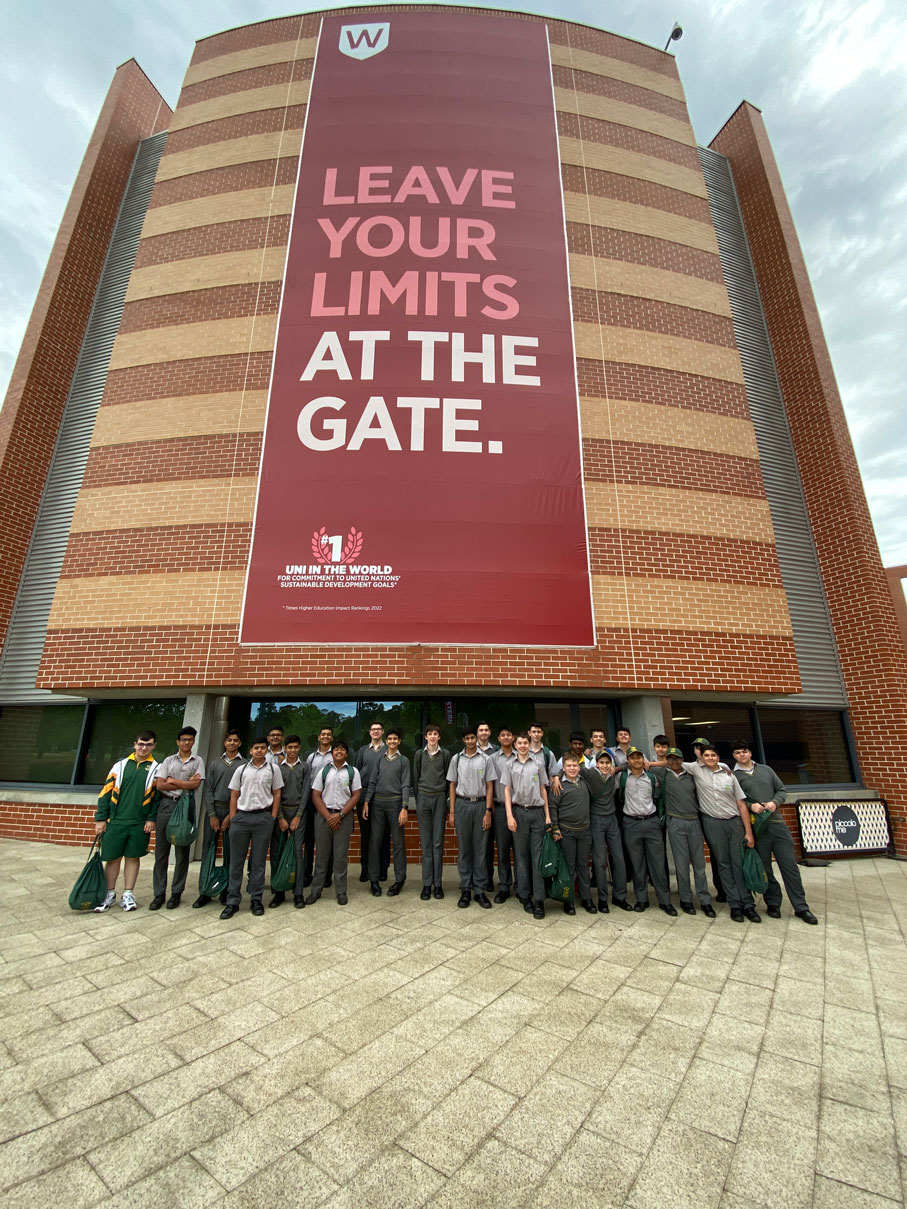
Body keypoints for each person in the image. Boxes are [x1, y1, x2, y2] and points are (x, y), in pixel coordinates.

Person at [731, 741, 818, 924]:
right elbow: (735, 800)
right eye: (737, 753)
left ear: (750, 752)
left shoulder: (766, 770)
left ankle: (801, 907)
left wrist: (774, 803)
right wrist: (751, 805)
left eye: (744, 751)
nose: (742, 755)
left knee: (790, 867)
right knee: (765, 868)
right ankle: (773, 903)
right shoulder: (734, 776)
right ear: (733, 756)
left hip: (777, 824)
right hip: (758, 829)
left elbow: (781, 790)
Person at [681, 746, 760, 923]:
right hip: (712, 822)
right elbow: (673, 763)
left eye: (713, 755)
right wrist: (649, 762)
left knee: (738, 862)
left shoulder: (729, 775)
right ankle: (735, 905)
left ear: (718, 757)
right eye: (706, 755)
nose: (709, 758)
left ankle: (748, 904)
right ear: (701, 757)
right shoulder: (696, 770)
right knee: (723, 864)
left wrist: (748, 832)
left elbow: (741, 805)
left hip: (734, 822)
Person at [92, 731, 160, 912]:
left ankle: (128, 894)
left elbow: (157, 798)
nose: (144, 748)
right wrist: (100, 818)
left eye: (148, 744)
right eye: (141, 744)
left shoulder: (156, 768)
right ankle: (109, 893)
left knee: (133, 857)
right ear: (135, 744)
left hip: (139, 823)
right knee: (113, 858)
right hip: (115, 821)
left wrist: (151, 819)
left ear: (154, 746)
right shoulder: (120, 766)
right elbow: (105, 793)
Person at [221, 738, 284, 918]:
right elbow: (234, 795)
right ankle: (232, 901)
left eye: (262, 748)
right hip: (241, 818)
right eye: (256, 747)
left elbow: (277, 793)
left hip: (263, 818)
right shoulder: (241, 770)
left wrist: (272, 816)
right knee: (236, 862)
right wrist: (234, 818)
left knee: (258, 862)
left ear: (267, 750)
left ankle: (256, 899)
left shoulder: (273, 769)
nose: (259, 750)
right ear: (250, 750)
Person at [615, 747, 676, 916]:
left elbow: (661, 793)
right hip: (631, 823)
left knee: (657, 863)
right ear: (628, 760)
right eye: (632, 758)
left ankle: (664, 900)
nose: (636, 760)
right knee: (637, 863)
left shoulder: (651, 777)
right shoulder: (622, 777)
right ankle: (642, 899)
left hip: (651, 822)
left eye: (638, 757)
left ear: (643, 759)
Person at [151, 726, 205, 911]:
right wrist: (184, 783)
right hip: (166, 805)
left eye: (190, 740)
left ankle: (176, 893)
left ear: (193, 742)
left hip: (186, 805)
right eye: (183, 740)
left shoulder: (198, 761)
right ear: (178, 742)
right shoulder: (168, 760)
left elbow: (196, 784)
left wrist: (173, 781)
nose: (186, 742)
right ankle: (159, 894)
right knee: (161, 852)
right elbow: (159, 785)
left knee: (182, 851)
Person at [658, 747, 715, 917]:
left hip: (693, 821)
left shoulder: (693, 774)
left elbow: (709, 768)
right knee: (681, 864)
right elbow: (639, 766)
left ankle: (704, 899)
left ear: (683, 759)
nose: (674, 762)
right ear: (667, 760)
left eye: (677, 758)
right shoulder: (663, 775)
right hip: (675, 822)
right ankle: (686, 898)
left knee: (699, 864)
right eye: (671, 759)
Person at [193, 729, 245, 909]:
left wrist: (232, 815)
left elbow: (243, 792)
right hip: (216, 809)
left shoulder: (244, 764)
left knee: (232, 855)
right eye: (229, 740)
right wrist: (212, 815)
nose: (232, 743)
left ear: (239, 743)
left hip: (236, 812)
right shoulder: (215, 764)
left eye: (235, 740)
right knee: (209, 852)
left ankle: (228, 890)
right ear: (225, 743)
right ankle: (205, 890)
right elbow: (208, 790)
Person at [501, 731, 551, 919]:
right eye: (519, 743)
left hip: (537, 812)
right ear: (515, 745)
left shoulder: (538, 764)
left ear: (529, 745)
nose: (522, 745)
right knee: (521, 857)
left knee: (537, 857)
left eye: (525, 743)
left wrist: (547, 816)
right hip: (519, 813)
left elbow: (543, 789)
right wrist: (509, 815)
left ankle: (539, 899)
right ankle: (524, 895)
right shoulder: (509, 765)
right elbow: (506, 790)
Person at [307, 739, 361, 905]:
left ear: (346, 753)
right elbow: (315, 795)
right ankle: (316, 890)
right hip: (324, 817)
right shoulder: (324, 771)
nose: (339, 752)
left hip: (343, 818)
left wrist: (340, 815)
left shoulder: (353, 772)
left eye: (342, 750)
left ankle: (341, 892)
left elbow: (356, 795)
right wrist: (328, 816)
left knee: (340, 857)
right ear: (332, 753)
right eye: (336, 750)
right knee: (321, 856)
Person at [447, 727, 496, 909]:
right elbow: (452, 785)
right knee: (465, 849)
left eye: (472, 737)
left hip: (481, 805)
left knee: (481, 849)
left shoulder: (486, 759)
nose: (470, 741)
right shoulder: (456, 759)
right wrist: (452, 811)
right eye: (467, 738)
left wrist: (488, 811)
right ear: (463, 740)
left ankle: (480, 890)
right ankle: (466, 889)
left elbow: (490, 786)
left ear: (476, 739)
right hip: (462, 805)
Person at [580, 750, 632, 913]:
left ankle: (620, 896)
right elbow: (571, 766)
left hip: (612, 820)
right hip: (596, 819)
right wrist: (554, 778)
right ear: (596, 763)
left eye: (607, 763)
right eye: (601, 763)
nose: (604, 766)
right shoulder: (590, 774)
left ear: (611, 764)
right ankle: (602, 899)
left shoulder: (611, 774)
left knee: (618, 858)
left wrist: (617, 768)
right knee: (600, 860)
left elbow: (627, 764)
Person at [365, 728, 411, 897]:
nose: (392, 741)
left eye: (395, 739)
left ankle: (399, 880)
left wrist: (405, 807)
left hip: (396, 804)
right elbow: (372, 781)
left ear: (399, 741)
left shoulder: (404, 760)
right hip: (378, 803)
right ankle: (374, 880)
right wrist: (366, 802)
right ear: (387, 740)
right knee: (375, 841)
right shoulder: (380, 759)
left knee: (398, 843)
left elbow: (406, 784)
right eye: (389, 738)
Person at [550, 755, 597, 915]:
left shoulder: (585, 782)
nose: (572, 768)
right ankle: (568, 899)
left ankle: (586, 898)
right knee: (569, 867)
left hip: (584, 831)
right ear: (563, 767)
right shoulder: (559, 785)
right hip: (566, 831)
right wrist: (555, 828)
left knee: (583, 866)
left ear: (579, 767)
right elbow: (553, 807)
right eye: (568, 766)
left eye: (575, 766)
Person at [269, 734, 310, 909]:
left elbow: (306, 792)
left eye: (295, 747)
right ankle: (278, 891)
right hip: (280, 813)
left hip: (298, 813)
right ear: (284, 748)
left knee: (297, 854)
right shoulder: (277, 768)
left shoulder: (305, 767)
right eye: (289, 747)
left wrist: (298, 816)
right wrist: (280, 818)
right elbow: (274, 793)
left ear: (299, 748)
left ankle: (298, 892)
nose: (292, 750)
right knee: (277, 853)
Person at [414, 723, 451, 901]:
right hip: (423, 798)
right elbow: (416, 777)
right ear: (426, 737)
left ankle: (438, 884)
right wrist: (419, 798)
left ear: (439, 737)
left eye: (436, 734)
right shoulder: (419, 755)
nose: (433, 736)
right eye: (430, 734)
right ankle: (426, 884)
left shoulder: (445, 754)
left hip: (439, 798)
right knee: (426, 843)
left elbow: (448, 778)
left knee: (438, 843)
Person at [355, 721, 389, 883]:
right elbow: (357, 771)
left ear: (382, 732)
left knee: (383, 834)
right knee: (366, 834)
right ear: (369, 732)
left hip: (383, 795)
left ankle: (383, 869)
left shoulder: (388, 749)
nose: (375, 732)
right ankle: (365, 868)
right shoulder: (363, 750)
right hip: (364, 795)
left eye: (378, 729)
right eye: (373, 729)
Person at [487, 726, 517, 902]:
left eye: (509, 734)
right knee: (503, 849)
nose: (506, 737)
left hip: (518, 807)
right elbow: (489, 785)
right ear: (498, 738)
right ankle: (504, 885)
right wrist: (489, 809)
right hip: (499, 808)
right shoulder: (492, 759)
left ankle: (521, 886)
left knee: (520, 850)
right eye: (503, 735)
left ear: (513, 737)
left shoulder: (521, 755)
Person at [303, 726, 334, 887]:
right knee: (310, 840)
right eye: (323, 734)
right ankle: (307, 874)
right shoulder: (311, 758)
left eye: (329, 735)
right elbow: (307, 779)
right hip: (311, 802)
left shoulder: (335, 755)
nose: (326, 737)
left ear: (332, 738)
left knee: (327, 841)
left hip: (329, 802)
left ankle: (326, 876)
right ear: (318, 737)